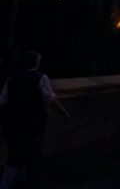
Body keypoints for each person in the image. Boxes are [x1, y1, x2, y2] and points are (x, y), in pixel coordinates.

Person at [0, 51, 69, 189]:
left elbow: (2, 100)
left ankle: (20, 180)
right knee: (22, 152)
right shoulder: (41, 78)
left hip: (11, 120)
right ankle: (6, 184)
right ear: (35, 63)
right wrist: (64, 113)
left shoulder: (12, 78)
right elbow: (50, 99)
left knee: (16, 149)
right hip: (31, 120)